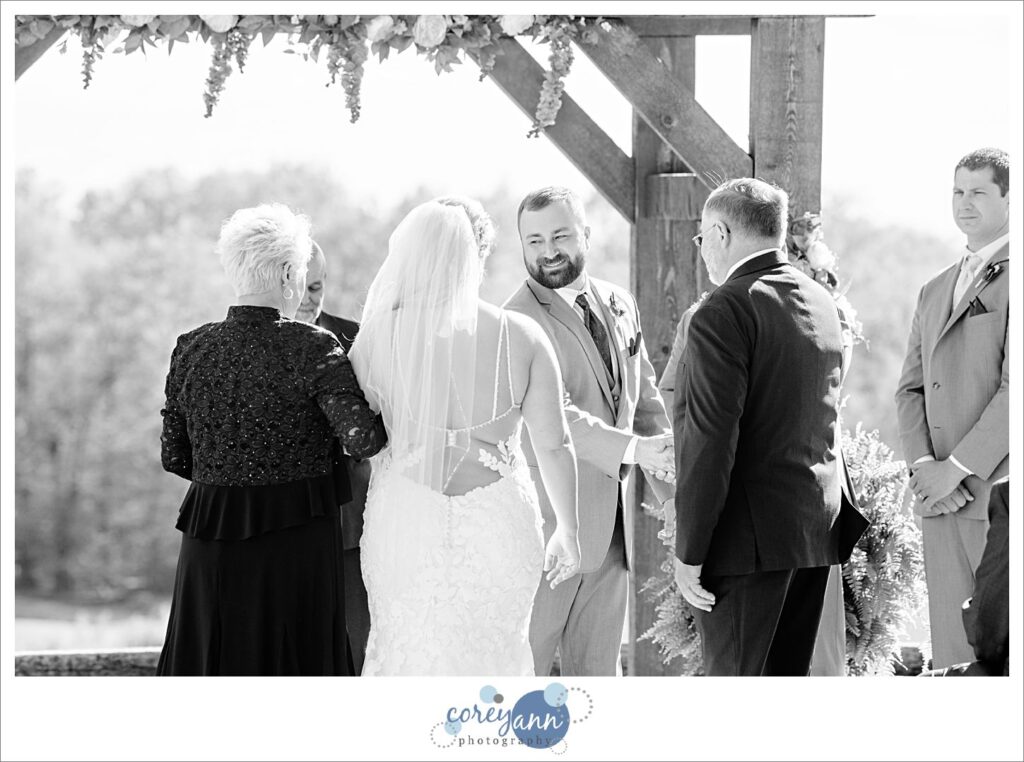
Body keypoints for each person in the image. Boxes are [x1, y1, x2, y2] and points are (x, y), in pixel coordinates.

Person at [349, 198, 581, 676]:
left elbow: (356, 433)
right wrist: (568, 529)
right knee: (494, 656)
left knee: (404, 647)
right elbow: (554, 444)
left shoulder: (377, 337)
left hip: (404, 518)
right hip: (498, 521)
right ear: (479, 255)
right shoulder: (523, 336)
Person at [157, 203, 387, 675]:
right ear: (287, 273)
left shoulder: (191, 346)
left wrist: (232, 469)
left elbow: (174, 455)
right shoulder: (314, 347)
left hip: (211, 536)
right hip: (295, 542)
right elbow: (363, 441)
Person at [672, 178, 867, 676]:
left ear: (719, 232)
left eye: (701, 238)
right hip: (811, 533)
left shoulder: (723, 310)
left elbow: (710, 439)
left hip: (746, 544)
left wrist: (690, 550)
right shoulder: (819, 299)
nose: (703, 251)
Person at [505, 186, 675, 677]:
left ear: (586, 233)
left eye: (559, 235)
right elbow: (554, 418)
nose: (548, 251)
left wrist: (671, 498)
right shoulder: (516, 320)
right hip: (548, 529)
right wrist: (637, 450)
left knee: (597, 677)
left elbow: (644, 402)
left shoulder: (620, 302)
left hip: (612, 532)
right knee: (527, 667)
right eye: (534, 241)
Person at [895, 148, 1009, 669]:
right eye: (958, 191)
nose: (965, 203)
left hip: (997, 495)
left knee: (1000, 652)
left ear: (1010, 198)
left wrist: (956, 470)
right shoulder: (934, 288)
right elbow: (910, 390)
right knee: (951, 654)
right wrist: (924, 470)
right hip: (938, 502)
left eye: (979, 192)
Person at [295, 240, 372, 676]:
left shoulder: (356, 337)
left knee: (357, 646)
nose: (309, 298)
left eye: (318, 286)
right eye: (302, 286)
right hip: (285, 524)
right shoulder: (258, 343)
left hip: (351, 522)